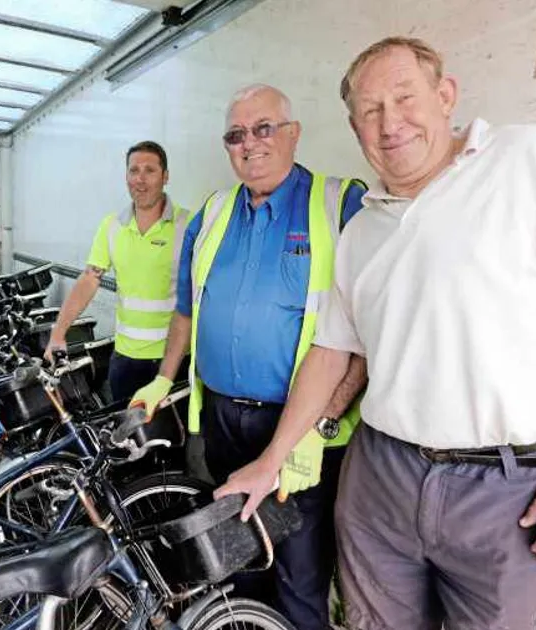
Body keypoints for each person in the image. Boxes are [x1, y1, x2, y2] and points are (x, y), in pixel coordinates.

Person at [217, 37, 536, 630]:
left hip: (514, 494)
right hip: (381, 477)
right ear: (354, 127)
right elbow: (333, 350)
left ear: (445, 96)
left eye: (404, 98)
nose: (390, 123)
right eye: (370, 111)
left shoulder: (533, 160)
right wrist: (273, 459)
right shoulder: (363, 229)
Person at [130, 84, 368, 630]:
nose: (250, 144)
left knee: (300, 576)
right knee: (238, 568)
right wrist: (163, 379)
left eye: (264, 129)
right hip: (220, 422)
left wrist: (322, 422)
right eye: (236, 135)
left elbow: (368, 338)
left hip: (301, 429)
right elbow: (186, 313)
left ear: (293, 133)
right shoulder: (211, 214)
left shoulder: (339, 205)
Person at [45, 141, 190, 402]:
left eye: (150, 171)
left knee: (166, 442)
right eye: (134, 171)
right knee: (124, 439)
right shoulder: (111, 226)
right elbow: (89, 279)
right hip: (124, 359)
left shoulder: (187, 225)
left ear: (165, 176)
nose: (140, 180)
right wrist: (58, 332)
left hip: (173, 362)